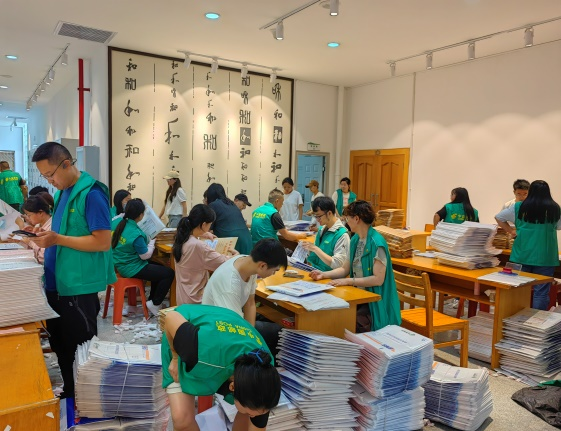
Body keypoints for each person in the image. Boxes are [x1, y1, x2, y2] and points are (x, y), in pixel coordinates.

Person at [29, 141, 116, 400]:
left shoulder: (92, 194)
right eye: (44, 177)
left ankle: (87, 401)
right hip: (57, 283)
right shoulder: (61, 194)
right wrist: (42, 235)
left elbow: (102, 241)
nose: (49, 181)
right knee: (61, 345)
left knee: (82, 349)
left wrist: (56, 239)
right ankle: (70, 391)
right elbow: (63, 233)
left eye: (50, 174)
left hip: (78, 287)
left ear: (66, 164)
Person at [162, 304, 281, 431]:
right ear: (232, 387)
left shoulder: (264, 371)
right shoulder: (196, 350)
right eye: (251, 413)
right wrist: (175, 357)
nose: (254, 416)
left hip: (228, 328)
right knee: (182, 421)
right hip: (182, 332)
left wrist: (252, 415)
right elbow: (171, 317)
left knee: (249, 409)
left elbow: (258, 425)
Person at [310, 200, 401, 332]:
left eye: (348, 219)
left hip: (375, 302)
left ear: (357, 219)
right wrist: (324, 275)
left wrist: (348, 281)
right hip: (359, 296)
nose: (347, 222)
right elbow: (344, 269)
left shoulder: (377, 243)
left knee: (345, 323)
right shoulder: (355, 240)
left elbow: (378, 279)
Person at [202, 238, 287, 353]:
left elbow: (250, 303)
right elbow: (234, 328)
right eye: (274, 271)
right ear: (262, 266)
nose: (273, 274)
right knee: (279, 334)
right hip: (219, 330)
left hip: (233, 321)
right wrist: (251, 342)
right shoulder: (230, 284)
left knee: (276, 331)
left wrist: (251, 334)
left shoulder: (248, 263)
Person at [495, 180, 561, 310]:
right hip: (545, 256)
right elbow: (559, 226)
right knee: (541, 292)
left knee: (518, 289)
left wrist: (511, 231)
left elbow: (499, 217)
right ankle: (535, 321)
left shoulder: (519, 206)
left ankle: (516, 318)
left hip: (522, 253)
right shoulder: (555, 208)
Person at [112, 198, 175, 315]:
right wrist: (152, 241)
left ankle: (152, 301)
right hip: (132, 268)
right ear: (141, 215)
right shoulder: (135, 233)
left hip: (121, 263)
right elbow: (145, 256)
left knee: (159, 268)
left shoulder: (119, 223)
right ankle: (155, 303)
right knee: (169, 273)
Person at [172, 204, 238, 305]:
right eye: (209, 224)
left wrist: (202, 234)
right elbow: (223, 263)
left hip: (183, 298)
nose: (210, 227)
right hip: (196, 301)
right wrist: (235, 256)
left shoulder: (182, 238)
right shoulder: (198, 246)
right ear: (203, 225)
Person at [301, 196, 349, 271]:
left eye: (319, 216)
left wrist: (315, 249)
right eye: (315, 216)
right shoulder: (322, 229)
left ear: (329, 213)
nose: (317, 219)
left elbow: (338, 264)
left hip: (328, 275)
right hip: (314, 270)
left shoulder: (342, 235)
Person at [205, 183, 253, 255]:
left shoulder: (213, 205)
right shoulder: (232, 204)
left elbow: (207, 229)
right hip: (247, 239)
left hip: (232, 241)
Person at [14, 192, 53, 264]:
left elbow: (43, 256)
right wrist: (20, 240)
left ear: (40, 213)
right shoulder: (38, 225)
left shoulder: (52, 227)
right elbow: (33, 250)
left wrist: (30, 241)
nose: (27, 218)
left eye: (29, 215)